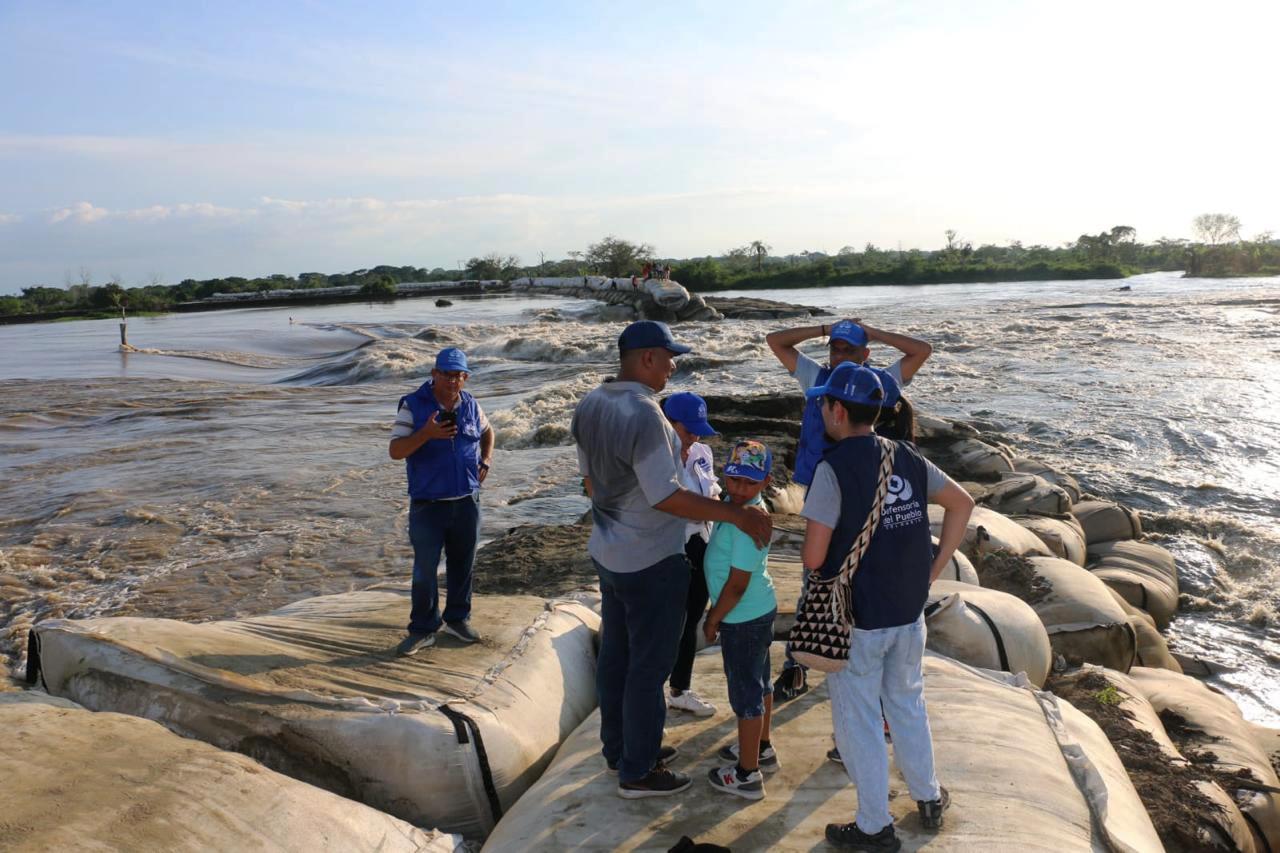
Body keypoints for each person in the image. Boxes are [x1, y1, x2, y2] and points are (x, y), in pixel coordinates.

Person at [571, 320, 772, 800]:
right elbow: (665, 496)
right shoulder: (646, 415)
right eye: (668, 357)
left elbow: (590, 484)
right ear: (647, 358)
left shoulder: (590, 403)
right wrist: (735, 514)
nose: (672, 367)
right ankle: (639, 770)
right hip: (650, 561)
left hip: (608, 554)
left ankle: (620, 749)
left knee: (616, 658)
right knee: (649, 668)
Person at [797, 362, 973, 851]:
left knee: (860, 722)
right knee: (907, 704)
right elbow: (962, 503)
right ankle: (929, 797)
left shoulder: (832, 469)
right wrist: (934, 568)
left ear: (836, 410)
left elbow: (813, 557)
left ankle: (874, 826)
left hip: (858, 619)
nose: (823, 410)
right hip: (908, 611)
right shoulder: (908, 456)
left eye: (824, 403)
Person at [766, 318, 932, 702]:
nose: (839, 355)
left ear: (865, 353)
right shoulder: (820, 379)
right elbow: (776, 341)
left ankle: (854, 651)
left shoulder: (881, 383)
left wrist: (874, 331)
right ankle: (800, 661)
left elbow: (921, 351)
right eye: (835, 348)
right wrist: (825, 329)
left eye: (848, 349)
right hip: (822, 489)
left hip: (865, 490)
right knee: (816, 576)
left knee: (851, 569)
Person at [388, 347, 494, 656]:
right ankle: (423, 629)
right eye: (446, 374)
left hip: (467, 501)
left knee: (463, 564)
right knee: (425, 568)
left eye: (458, 375)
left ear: (466, 377)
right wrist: (426, 433)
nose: (452, 381)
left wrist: (486, 459)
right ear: (434, 373)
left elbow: (488, 431)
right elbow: (395, 451)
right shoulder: (412, 405)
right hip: (428, 504)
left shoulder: (471, 404)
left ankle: (458, 620)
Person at [702, 440, 778, 801]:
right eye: (734, 480)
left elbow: (736, 584)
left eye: (750, 483)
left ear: (766, 482)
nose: (740, 489)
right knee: (760, 683)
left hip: (742, 618)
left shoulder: (749, 522)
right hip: (757, 611)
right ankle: (762, 747)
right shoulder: (736, 510)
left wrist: (714, 618)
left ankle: (748, 774)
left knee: (746, 695)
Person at [662, 392, 722, 718]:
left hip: (701, 543)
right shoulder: (657, 456)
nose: (694, 438)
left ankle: (680, 689)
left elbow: (712, 492)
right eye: (688, 431)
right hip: (669, 547)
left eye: (699, 431)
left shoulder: (702, 453)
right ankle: (652, 689)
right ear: (669, 424)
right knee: (666, 621)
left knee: (692, 617)